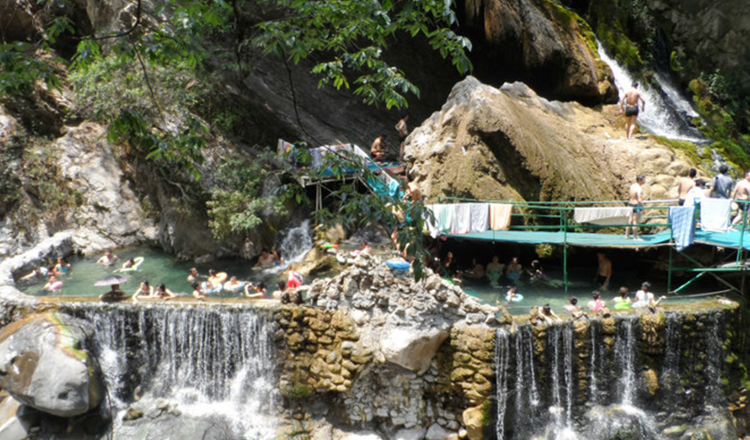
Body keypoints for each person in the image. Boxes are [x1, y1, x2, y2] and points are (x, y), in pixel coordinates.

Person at [626, 175, 646, 240]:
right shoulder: (639, 188)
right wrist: (643, 208)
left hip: (630, 203)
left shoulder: (632, 186)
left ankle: (627, 235)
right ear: (640, 180)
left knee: (630, 220)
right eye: (643, 179)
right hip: (636, 205)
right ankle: (635, 237)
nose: (644, 180)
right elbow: (639, 199)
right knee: (635, 221)